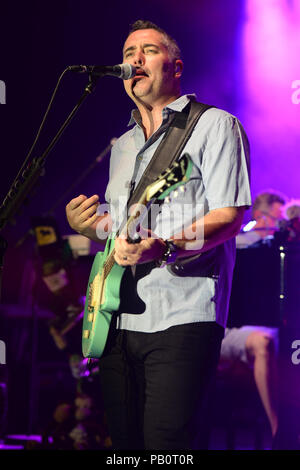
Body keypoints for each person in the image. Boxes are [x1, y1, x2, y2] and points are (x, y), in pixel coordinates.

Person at [65, 20, 251, 450]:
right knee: (126, 445)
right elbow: (122, 227)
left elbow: (231, 215)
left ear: (176, 66)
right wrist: (89, 226)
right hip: (116, 315)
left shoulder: (214, 125)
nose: (135, 59)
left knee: (168, 445)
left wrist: (163, 245)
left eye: (148, 50)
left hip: (182, 312)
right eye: (129, 52)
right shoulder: (123, 144)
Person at [220, 190, 287, 440]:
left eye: (283, 222)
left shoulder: (277, 248)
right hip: (229, 328)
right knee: (264, 343)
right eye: (276, 219)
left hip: (261, 327)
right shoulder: (238, 242)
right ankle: (279, 431)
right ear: (259, 215)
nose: (278, 227)